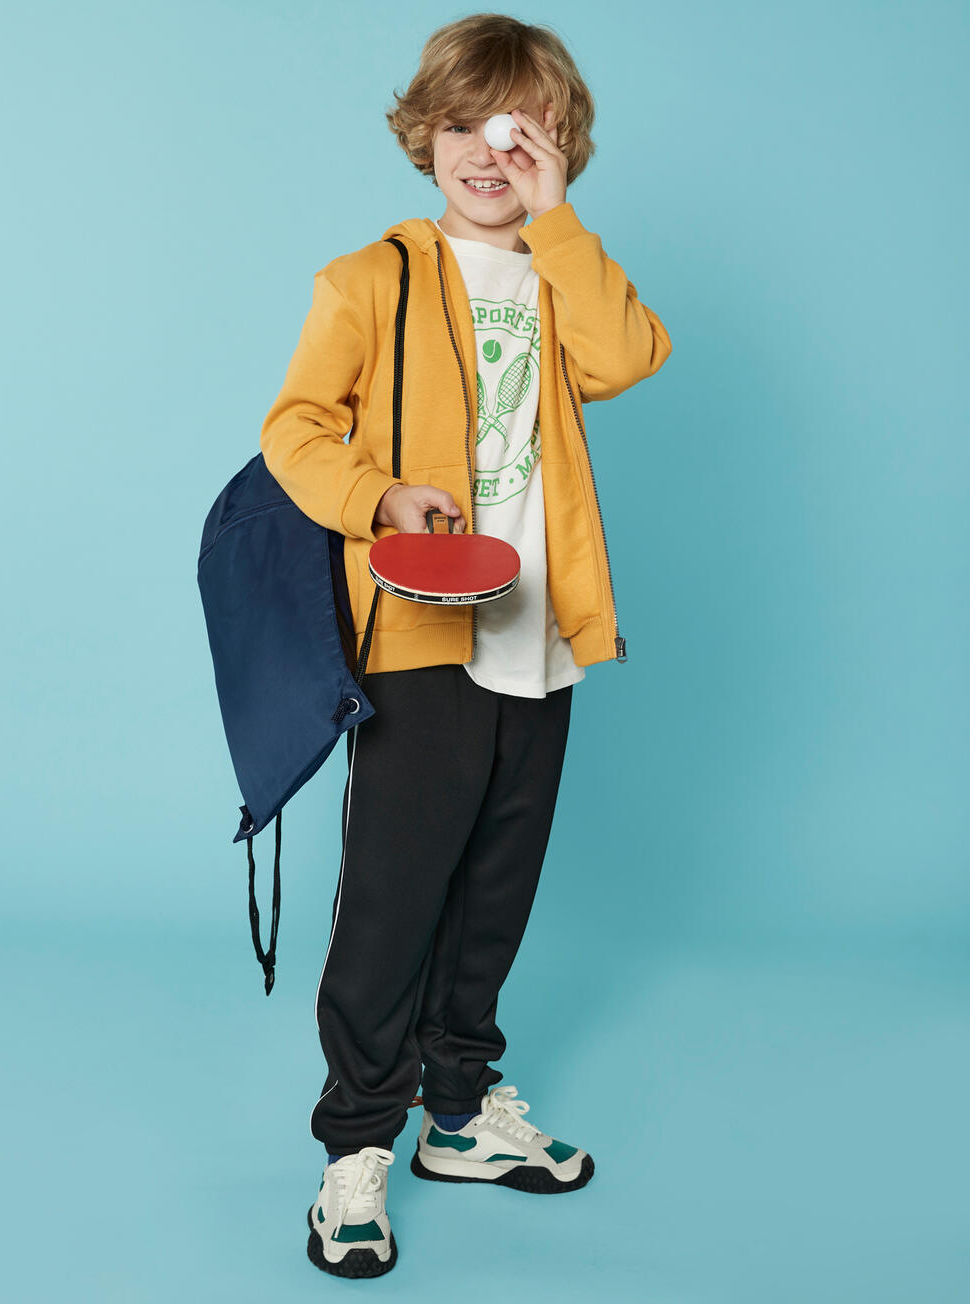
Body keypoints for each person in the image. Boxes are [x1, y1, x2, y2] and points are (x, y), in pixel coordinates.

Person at [259, 13, 672, 1279]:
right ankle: (355, 1145)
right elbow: (294, 429)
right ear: (423, 137)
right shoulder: (369, 279)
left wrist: (558, 218)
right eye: (463, 130)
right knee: (395, 896)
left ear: (557, 149)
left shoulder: (559, 277)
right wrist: (379, 494)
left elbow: (630, 355)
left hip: (540, 631)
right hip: (419, 634)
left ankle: (459, 1112)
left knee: (496, 886)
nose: (487, 156)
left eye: (519, 136)